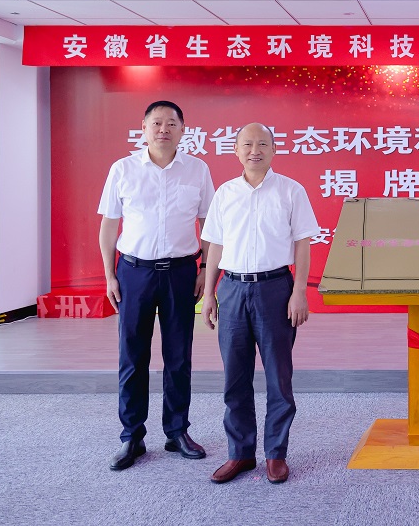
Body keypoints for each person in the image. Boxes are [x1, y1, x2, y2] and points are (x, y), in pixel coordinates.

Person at [98, 100, 215, 471]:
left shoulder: (197, 169)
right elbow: (108, 227)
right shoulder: (123, 169)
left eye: (171, 123)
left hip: (181, 272)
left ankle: (177, 431)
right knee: (132, 356)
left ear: (183, 129)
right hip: (134, 272)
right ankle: (131, 436)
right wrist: (109, 275)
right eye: (156, 123)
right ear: (144, 128)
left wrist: (204, 270)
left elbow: (209, 226)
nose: (163, 129)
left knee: (179, 356)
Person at [200, 122, 320, 485]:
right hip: (232, 289)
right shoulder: (225, 193)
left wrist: (299, 291)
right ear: (236, 150)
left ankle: (275, 454)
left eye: (263, 144)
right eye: (248, 144)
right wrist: (209, 293)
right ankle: (240, 453)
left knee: (278, 377)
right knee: (234, 377)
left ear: (273, 150)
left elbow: (302, 243)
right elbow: (215, 245)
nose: (255, 150)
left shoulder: (291, 191)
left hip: (275, 289)